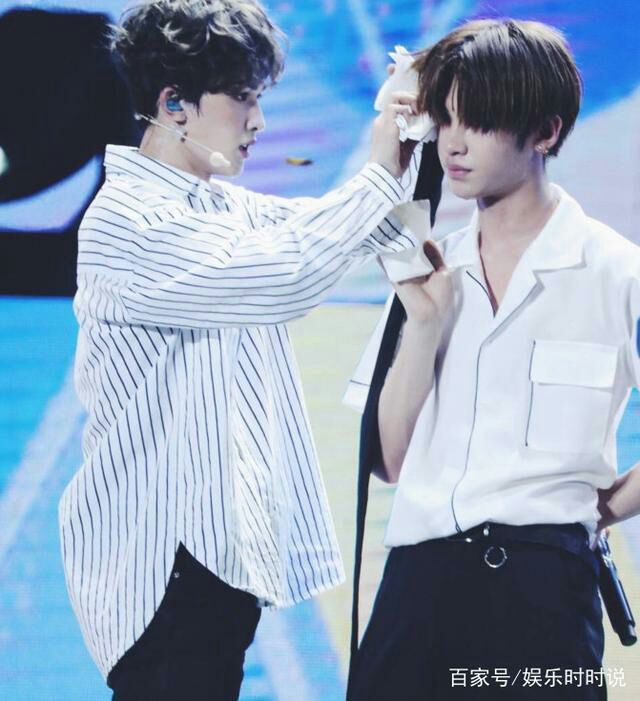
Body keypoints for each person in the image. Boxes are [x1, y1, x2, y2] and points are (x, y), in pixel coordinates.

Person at [57, 1, 428, 699]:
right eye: (242, 99)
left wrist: (408, 139)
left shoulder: (225, 208)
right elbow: (288, 273)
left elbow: (357, 229)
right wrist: (382, 170)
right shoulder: (130, 220)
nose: (258, 122)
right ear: (174, 104)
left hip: (213, 566)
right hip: (163, 567)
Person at [345, 18, 640, 700]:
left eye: (477, 121)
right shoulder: (427, 266)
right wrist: (426, 322)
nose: (454, 142)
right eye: (445, 119)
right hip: (416, 588)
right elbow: (386, 459)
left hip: (543, 591)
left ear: (545, 133)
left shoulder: (617, 272)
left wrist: (598, 511)